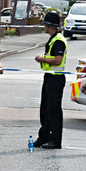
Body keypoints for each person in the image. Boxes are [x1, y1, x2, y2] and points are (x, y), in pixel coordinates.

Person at [34, 12, 67, 149]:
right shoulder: (53, 38)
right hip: (49, 77)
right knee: (45, 109)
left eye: (45, 24)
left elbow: (57, 60)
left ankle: (55, 140)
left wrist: (42, 59)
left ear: (49, 25)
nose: (44, 27)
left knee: (53, 110)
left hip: (56, 78)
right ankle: (44, 137)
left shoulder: (58, 40)